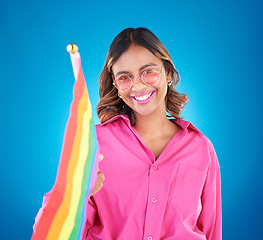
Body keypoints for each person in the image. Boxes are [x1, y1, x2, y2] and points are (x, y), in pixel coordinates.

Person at [34, 27, 222, 240]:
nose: (138, 85)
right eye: (125, 77)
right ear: (116, 85)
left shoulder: (201, 148)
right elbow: (49, 232)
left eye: (148, 71)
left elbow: (211, 231)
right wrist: (74, 193)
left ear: (168, 73)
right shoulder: (95, 144)